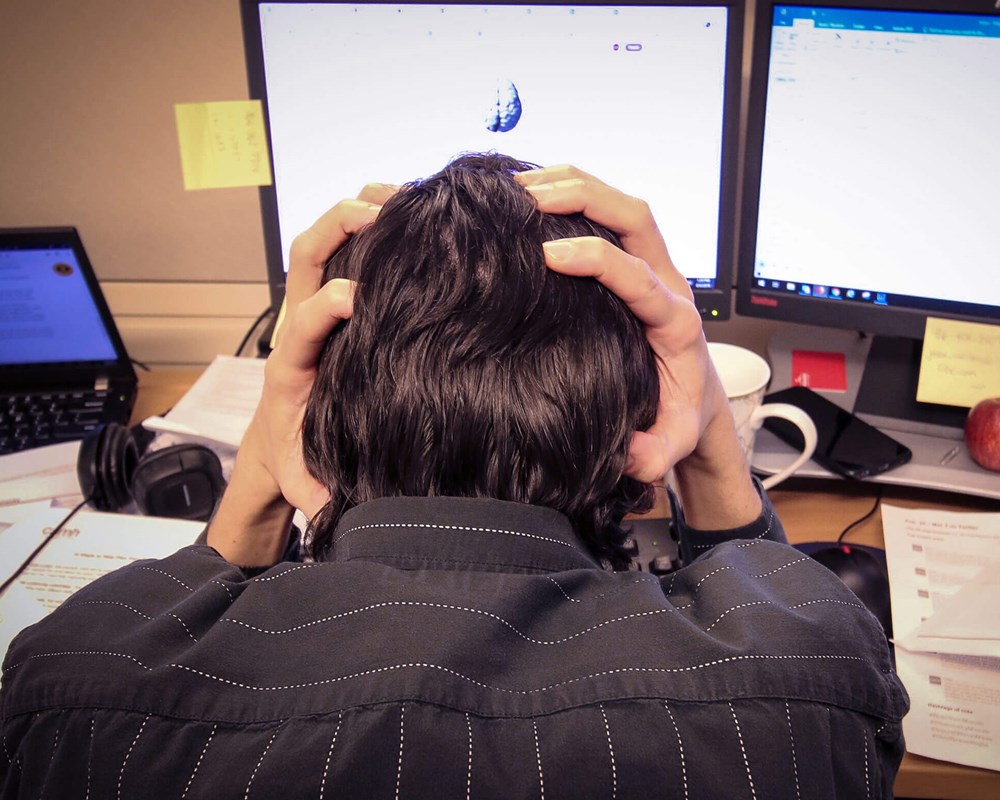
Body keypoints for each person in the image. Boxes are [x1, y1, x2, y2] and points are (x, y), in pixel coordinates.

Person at [0, 154, 907, 798]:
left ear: (310, 418)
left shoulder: (75, 686)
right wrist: (705, 411)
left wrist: (263, 469)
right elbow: (778, 602)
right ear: (643, 420)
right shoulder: (806, 681)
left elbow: (177, 623)